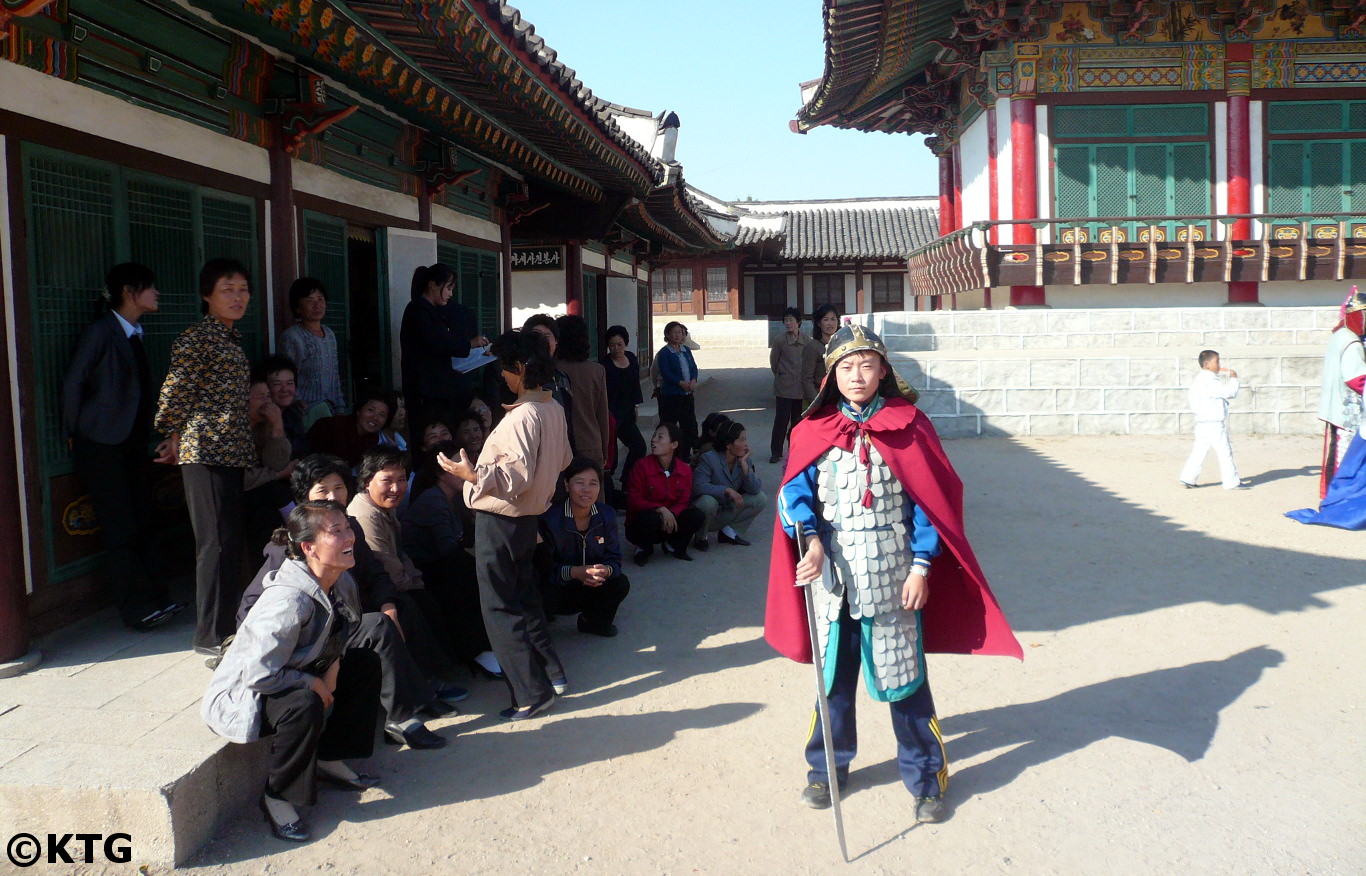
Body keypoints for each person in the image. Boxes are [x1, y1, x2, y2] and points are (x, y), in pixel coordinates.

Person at [765, 322, 1021, 823]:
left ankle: (926, 780)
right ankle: (827, 770)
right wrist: (811, 541)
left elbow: (932, 503)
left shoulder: (911, 426)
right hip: (832, 580)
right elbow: (792, 495)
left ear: (883, 371)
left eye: (866, 365)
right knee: (833, 685)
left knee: (905, 683)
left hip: (895, 575)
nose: (856, 375)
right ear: (829, 375)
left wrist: (923, 566)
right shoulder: (811, 431)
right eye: (845, 366)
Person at [237, 454, 456, 750]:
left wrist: (388, 603)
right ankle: (401, 718)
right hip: (312, 637)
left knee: (401, 607)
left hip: (344, 619)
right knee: (378, 625)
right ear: (305, 496)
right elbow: (251, 607)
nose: (333, 497)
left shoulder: (348, 525)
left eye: (339, 488)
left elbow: (375, 573)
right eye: (322, 490)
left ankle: (423, 688)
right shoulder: (290, 541)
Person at [202, 501, 381, 843]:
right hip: (247, 695)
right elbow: (257, 674)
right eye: (336, 531)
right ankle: (277, 797)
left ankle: (329, 759)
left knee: (364, 665)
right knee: (303, 704)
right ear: (308, 547)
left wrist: (333, 668)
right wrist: (313, 682)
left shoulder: (339, 579)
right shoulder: (287, 602)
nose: (350, 537)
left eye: (348, 528)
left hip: (295, 671)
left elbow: (340, 634)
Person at [437, 329, 572, 721]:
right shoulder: (552, 408)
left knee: (499, 608)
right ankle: (550, 673)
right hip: (529, 519)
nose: (502, 376)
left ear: (520, 369)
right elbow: (562, 461)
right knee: (525, 599)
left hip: (500, 518)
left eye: (506, 369)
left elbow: (513, 477)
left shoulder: (523, 417)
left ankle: (530, 693)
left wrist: (471, 473)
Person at [61, 263, 185, 631]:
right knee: (120, 528)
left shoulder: (134, 333)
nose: (157, 294)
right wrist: (72, 430)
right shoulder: (101, 332)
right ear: (130, 292)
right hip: (100, 443)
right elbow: (74, 383)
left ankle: (159, 597)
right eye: (151, 288)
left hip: (130, 443)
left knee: (142, 521)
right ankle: (135, 608)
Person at [155, 257, 255, 661]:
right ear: (206, 296)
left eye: (243, 289)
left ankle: (227, 625)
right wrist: (172, 432)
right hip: (205, 450)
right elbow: (174, 392)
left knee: (228, 540)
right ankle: (210, 634)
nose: (237, 297)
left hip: (229, 449)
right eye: (227, 289)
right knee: (214, 543)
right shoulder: (196, 338)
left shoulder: (231, 339)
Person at [401, 442, 501, 679]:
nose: (465, 468)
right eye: (456, 464)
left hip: (444, 563)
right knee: (466, 574)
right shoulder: (433, 500)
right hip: (424, 569)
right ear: (440, 472)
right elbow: (447, 549)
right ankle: (475, 650)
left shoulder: (456, 496)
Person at [537, 458, 631, 637]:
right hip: (560, 587)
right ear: (566, 485)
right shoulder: (549, 519)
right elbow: (544, 569)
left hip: (592, 583)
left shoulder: (606, 515)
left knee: (619, 583)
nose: (586, 489)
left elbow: (614, 559)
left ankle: (592, 622)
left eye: (593, 483)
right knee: (542, 593)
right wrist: (575, 572)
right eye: (579, 482)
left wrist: (605, 570)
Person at [400, 264, 484, 416]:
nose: (450, 294)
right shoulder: (418, 309)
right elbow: (435, 342)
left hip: (437, 388)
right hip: (424, 389)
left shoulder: (431, 310)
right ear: (433, 285)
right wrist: (470, 344)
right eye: (448, 288)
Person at [625, 421, 705, 565]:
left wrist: (672, 513)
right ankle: (643, 548)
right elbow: (633, 499)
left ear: (674, 445)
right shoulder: (641, 466)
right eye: (654, 436)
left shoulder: (684, 470)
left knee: (696, 515)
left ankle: (673, 546)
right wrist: (660, 509)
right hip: (646, 521)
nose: (653, 440)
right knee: (650, 518)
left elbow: (683, 501)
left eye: (660, 437)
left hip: (670, 521)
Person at [1314, 287, 1366, 497]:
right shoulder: (1351, 343)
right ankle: (1340, 497)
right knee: (1346, 456)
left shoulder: (1340, 335)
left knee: (1336, 452)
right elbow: (1357, 379)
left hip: (1335, 405)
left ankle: (1332, 494)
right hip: (1347, 409)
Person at [690, 419, 768, 551]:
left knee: (760, 498)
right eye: (741, 440)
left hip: (727, 508)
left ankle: (730, 532)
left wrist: (745, 466)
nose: (745, 444)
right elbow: (698, 486)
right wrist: (726, 490)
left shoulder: (743, 459)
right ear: (728, 444)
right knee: (707, 502)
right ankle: (701, 537)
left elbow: (754, 489)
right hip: (709, 510)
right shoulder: (709, 458)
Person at [242, 378, 298, 552]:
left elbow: (276, 463)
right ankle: (299, 528)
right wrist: (279, 474)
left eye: (268, 396)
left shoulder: (263, 427)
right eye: (260, 396)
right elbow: (242, 479)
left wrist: (277, 426)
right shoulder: (235, 431)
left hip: (262, 494)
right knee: (271, 491)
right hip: (237, 495)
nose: (267, 402)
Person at [1179, 350, 1245, 490]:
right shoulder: (1209, 380)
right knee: (1224, 452)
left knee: (1199, 451)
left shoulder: (1201, 379)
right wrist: (1233, 378)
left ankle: (1188, 477)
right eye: (1217, 362)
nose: (1219, 365)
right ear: (1207, 364)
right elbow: (1229, 393)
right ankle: (1231, 482)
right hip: (1213, 423)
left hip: (1203, 422)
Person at [278, 278, 345, 415]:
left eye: (320, 299)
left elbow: (334, 376)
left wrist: (340, 407)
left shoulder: (330, 334)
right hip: (306, 413)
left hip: (332, 410)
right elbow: (285, 378)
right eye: (310, 301)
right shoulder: (292, 337)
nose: (317, 305)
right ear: (298, 307)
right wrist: (296, 402)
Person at [554, 314, 611, 469]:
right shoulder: (596, 371)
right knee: (590, 491)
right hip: (590, 442)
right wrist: (604, 450)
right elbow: (602, 415)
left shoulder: (551, 369)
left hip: (557, 445)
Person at [600, 325, 646, 490]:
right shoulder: (604, 365)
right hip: (610, 414)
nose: (616, 348)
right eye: (612, 345)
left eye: (619, 344)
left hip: (627, 412)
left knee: (639, 446)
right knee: (611, 455)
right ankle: (609, 491)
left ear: (625, 343)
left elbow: (635, 384)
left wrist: (636, 404)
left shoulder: (631, 358)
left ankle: (628, 481)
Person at [770, 307, 817, 464]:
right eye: (786, 320)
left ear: (799, 322)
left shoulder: (807, 341)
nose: (788, 323)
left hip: (801, 389)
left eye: (791, 320)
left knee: (798, 421)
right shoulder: (779, 340)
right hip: (784, 387)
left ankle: (795, 449)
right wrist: (782, 375)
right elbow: (774, 363)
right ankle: (776, 452)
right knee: (781, 421)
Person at [307, 389, 392, 471]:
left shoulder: (373, 440)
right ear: (359, 410)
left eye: (382, 415)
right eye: (371, 410)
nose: (375, 417)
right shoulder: (332, 426)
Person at [655, 321, 699, 459]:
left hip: (687, 394)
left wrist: (693, 380)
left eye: (679, 332)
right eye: (673, 332)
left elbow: (693, 367)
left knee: (689, 424)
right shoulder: (664, 353)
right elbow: (666, 373)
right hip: (671, 395)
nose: (677, 335)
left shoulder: (686, 350)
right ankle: (663, 453)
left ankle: (685, 454)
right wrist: (680, 383)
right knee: (669, 425)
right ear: (667, 335)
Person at [261, 354, 310, 458]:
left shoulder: (294, 415)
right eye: (277, 384)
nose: (284, 389)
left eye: (290, 383)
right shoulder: (259, 419)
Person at [808, 304, 841, 405]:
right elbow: (806, 379)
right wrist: (816, 402)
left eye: (833, 319)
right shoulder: (812, 347)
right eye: (825, 320)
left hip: (840, 398)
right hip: (820, 397)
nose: (830, 323)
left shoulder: (843, 345)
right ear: (818, 323)